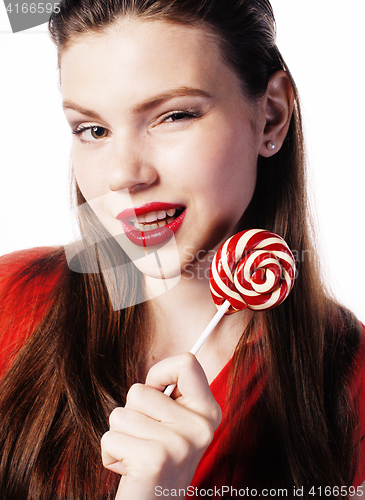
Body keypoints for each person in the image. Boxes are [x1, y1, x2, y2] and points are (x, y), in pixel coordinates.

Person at [0, 0, 364, 498]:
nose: (123, 174)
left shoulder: (352, 382)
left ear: (271, 116)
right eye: (93, 130)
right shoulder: (9, 301)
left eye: (172, 115)